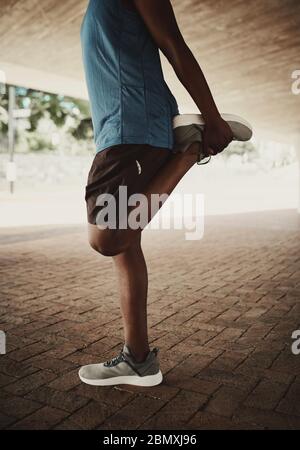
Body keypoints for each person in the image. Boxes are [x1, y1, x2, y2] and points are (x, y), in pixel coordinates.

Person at [78, 0, 235, 387]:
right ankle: (138, 359)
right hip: (119, 127)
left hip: (133, 123)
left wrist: (212, 118)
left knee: (107, 237)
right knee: (126, 243)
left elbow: (173, 44)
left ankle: (188, 153)